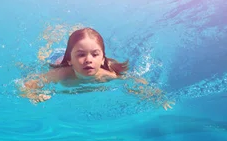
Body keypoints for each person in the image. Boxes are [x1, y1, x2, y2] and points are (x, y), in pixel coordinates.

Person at [18, 27, 174, 110]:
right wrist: (33, 94)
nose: (88, 60)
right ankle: (54, 35)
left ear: (102, 59)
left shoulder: (107, 75)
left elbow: (135, 82)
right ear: (71, 60)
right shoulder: (62, 74)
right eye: (81, 55)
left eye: (94, 55)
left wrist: (156, 97)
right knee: (43, 56)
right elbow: (28, 84)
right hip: (58, 58)